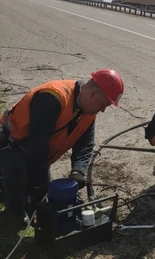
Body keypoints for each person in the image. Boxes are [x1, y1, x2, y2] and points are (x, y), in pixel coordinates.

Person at [0, 69, 124, 224]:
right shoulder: (52, 97)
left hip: (38, 152)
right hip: (12, 144)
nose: (103, 110)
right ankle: (15, 209)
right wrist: (40, 188)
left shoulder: (88, 111)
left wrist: (78, 171)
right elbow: (37, 145)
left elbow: (85, 143)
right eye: (104, 104)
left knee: (47, 195)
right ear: (93, 94)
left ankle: (20, 190)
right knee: (23, 177)